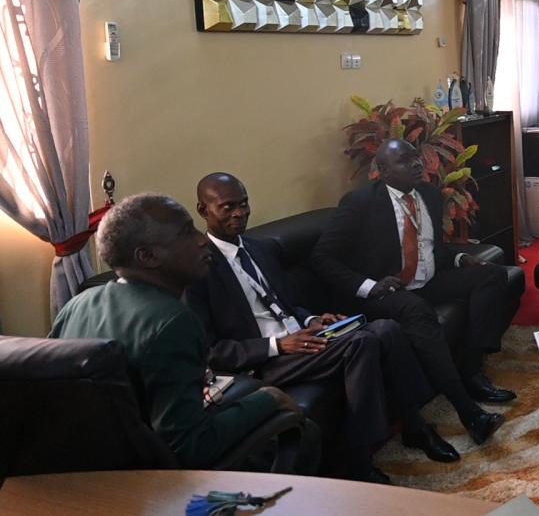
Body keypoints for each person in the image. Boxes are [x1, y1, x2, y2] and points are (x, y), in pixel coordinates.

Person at [184, 173, 460, 481]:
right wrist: (278, 345)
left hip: (303, 339)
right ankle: (360, 462)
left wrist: (312, 320)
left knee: (386, 329)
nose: (239, 213)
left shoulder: (260, 249)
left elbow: (289, 304)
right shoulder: (198, 270)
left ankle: (414, 426)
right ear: (203, 210)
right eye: (228, 207)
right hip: (266, 361)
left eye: (244, 204)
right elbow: (210, 351)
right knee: (362, 343)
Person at [49, 193, 304, 469]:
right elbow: (190, 448)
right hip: (151, 480)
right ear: (147, 256)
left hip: (87, 468)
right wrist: (269, 399)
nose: (202, 240)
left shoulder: (76, 305)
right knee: (304, 433)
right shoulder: (172, 321)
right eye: (186, 233)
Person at [310, 138, 510, 446]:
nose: (417, 164)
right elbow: (322, 258)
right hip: (385, 293)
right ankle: (470, 413)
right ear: (383, 171)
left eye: (416, 157)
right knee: (416, 309)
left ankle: (471, 369)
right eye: (405, 160)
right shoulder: (360, 203)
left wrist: (460, 258)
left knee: (492, 275)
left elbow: (432, 249)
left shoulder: (429, 194)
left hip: (427, 282)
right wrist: (370, 286)